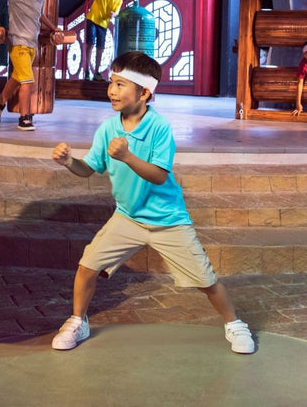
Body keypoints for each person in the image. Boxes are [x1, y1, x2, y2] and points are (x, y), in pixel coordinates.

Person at [48, 51, 256, 354]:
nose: (111, 91)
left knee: (206, 281)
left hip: (168, 220)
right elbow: (88, 169)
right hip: (127, 217)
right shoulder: (107, 128)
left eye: (120, 84)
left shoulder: (159, 127)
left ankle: (234, 324)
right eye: (111, 83)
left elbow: (159, 175)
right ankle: (78, 321)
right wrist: (69, 161)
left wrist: (127, 156)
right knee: (86, 266)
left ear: (144, 93)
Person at [0, 0, 60, 131]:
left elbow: (39, 14)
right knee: (27, 81)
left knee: (17, 78)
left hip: (32, 47)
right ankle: (24, 118)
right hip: (18, 45)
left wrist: (53, 27)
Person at [73, 0, 128, 81]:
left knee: (101, 48)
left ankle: (96, 72)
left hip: (103, 24)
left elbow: (116, 12)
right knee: (90, 44)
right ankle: (86, 71)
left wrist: (113, 15)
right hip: (92, 19)